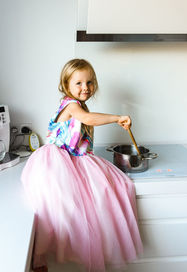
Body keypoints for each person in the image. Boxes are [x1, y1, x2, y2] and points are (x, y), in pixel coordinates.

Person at [21, 59, 143, 272]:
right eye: (78, 83)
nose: (85, 87)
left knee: (113, 189)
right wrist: (117, 117)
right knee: (59, 203)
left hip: (75, 157)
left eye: (89, 82)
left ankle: (79, 250)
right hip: (57, 159)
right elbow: (88, 118)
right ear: (66, 85)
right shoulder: (71, 105)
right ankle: (38, 257)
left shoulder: (79, 106)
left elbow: (83, 132)